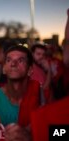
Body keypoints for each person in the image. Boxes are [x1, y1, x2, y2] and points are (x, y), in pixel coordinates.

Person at [0, 45, 42, 141]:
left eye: (20, 60)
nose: (13, 64)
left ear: (30, 70)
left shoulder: (41, 94)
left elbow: (54, 131)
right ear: (3, 69)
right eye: (8, 60)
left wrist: (32, 135)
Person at [30, 8, 69, 141]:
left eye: (43, 54)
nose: (41, 57)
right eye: (38, 54)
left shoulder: (47, 65)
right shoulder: (31, 68)